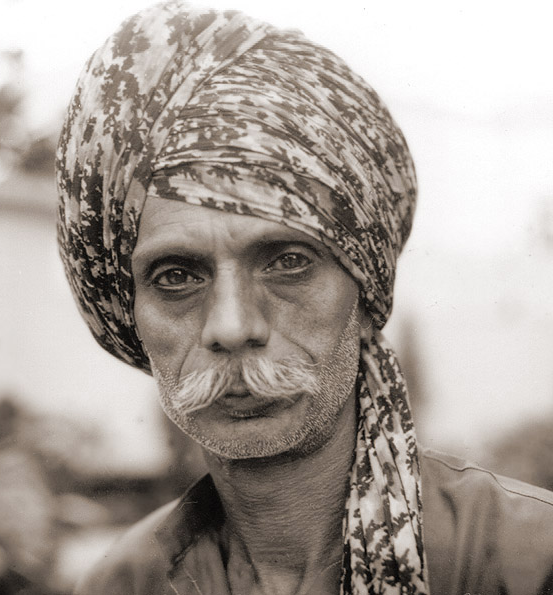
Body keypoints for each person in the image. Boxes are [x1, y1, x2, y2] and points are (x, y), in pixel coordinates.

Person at [55, 2, 553, 594]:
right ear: (127, 314)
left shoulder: (525, 561)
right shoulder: (126, 583)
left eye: (288, 262)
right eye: (176, 276)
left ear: (364, 293)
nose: (232, 326)